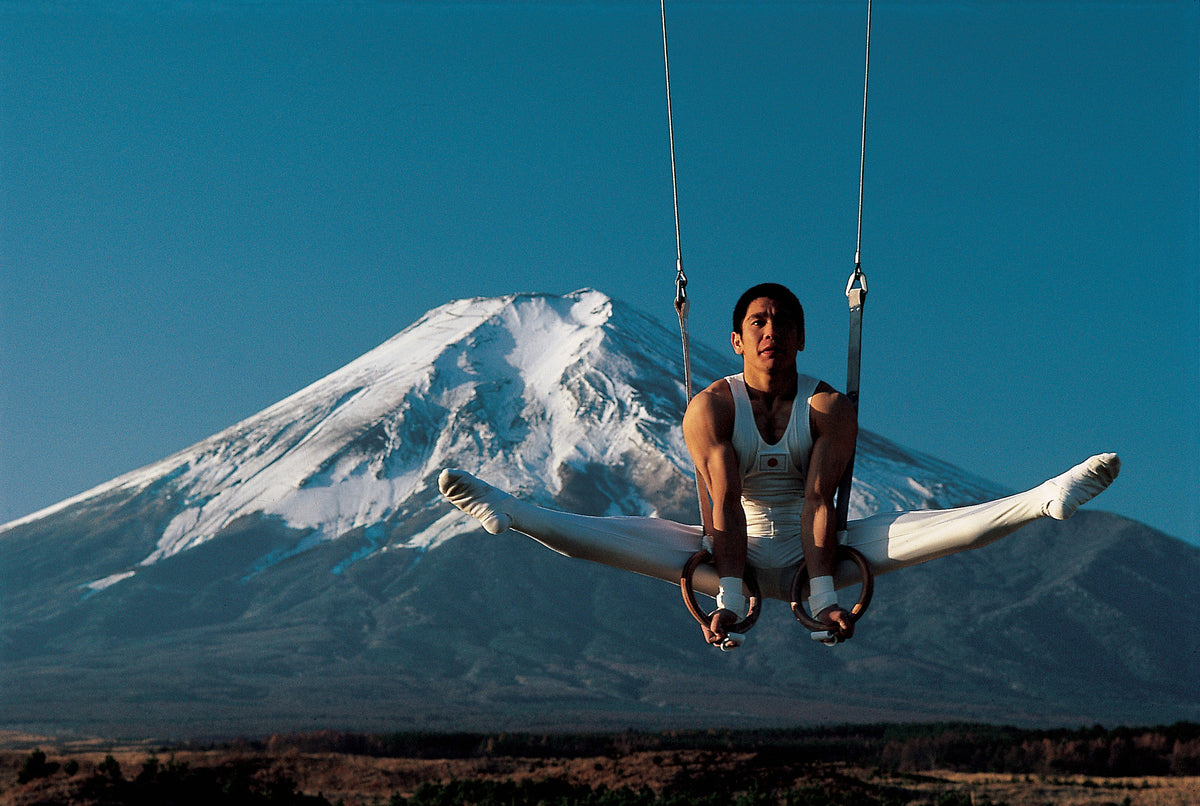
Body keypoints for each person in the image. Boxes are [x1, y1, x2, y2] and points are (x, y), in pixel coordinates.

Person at [439, 282, 1120, 650]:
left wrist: (822, 592)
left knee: (939, 530)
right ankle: (514, 513)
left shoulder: (827, 408)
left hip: (816, 548)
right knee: (598, 540)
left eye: (782, 323)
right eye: (757, 322)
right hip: (719, 549)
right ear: (736, 339)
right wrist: (730, 594)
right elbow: (725, 504)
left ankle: (1045, 498)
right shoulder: (710, 408)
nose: (770, 332)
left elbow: (823, 501)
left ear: (800, 338)